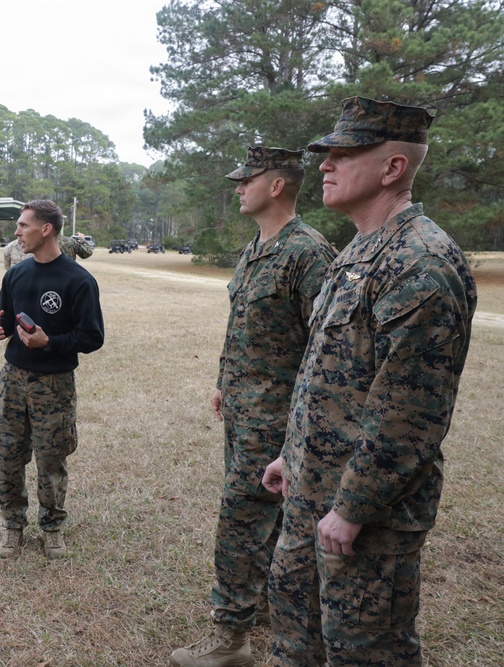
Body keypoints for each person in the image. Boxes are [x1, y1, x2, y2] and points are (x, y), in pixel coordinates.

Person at [261, 97, 477, 666]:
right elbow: (328, 375)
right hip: (314, 490)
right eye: (327, 155)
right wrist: (293, 453)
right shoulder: (358, 250)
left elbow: (409, 412)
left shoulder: (421, 263)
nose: (326, 166)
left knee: (364, 649)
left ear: (392, 168)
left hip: (367, 518)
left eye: (344, 154)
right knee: (295, 627)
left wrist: (353, 507)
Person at [170, 146, 335, 667]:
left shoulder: (307, 252)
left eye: (248, 180)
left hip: (278, 416)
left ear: (277, 185)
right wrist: (224, 380)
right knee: (258, 513)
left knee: (240, 516)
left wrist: (301, 425)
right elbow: (242, 324)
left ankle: (230, 636)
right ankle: (260, 602)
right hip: (243, 408)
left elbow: (326, 347)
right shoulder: (256, 248)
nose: (238, 187)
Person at [0, 199, 104, 559]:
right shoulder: (16, 274)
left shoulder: (78, 280)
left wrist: (49, 342)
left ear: (46, 229)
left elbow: (92, 337)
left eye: (23, 226)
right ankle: (12, 526)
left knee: (51, 460)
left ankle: (52, 528)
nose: (17, 232)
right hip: (12, 381)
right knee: (8, 457)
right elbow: (3, 320)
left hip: (54, 385)